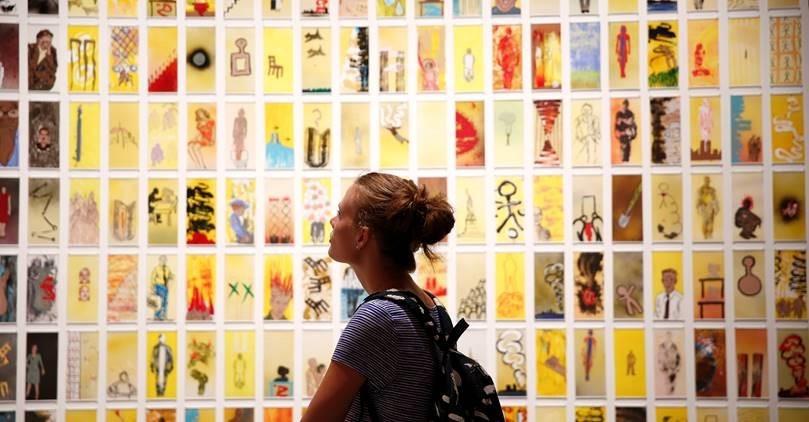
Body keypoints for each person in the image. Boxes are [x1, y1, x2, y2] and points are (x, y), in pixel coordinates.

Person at [303, 172, 455, 422]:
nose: (332, 221)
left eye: (341, 213)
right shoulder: (433, 308)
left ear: (362, 236)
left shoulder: (378, 318)